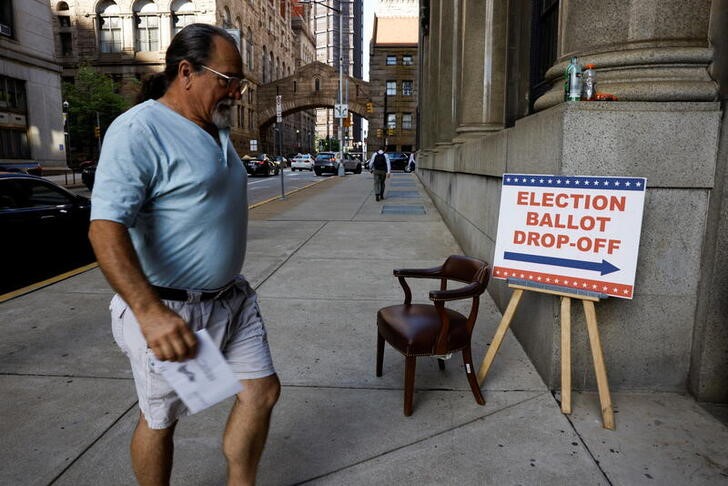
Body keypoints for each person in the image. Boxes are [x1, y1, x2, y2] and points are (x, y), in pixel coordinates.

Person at [88, 24, 279, 486]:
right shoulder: (139, 130)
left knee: (261, 392)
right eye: (228, 79)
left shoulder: (217, 128)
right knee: (162, 417)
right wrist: (149, 313)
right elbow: (104, 228)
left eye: (240, 81)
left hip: (231, 299)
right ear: (186, 71)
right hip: (169, 307)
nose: (236, 90)